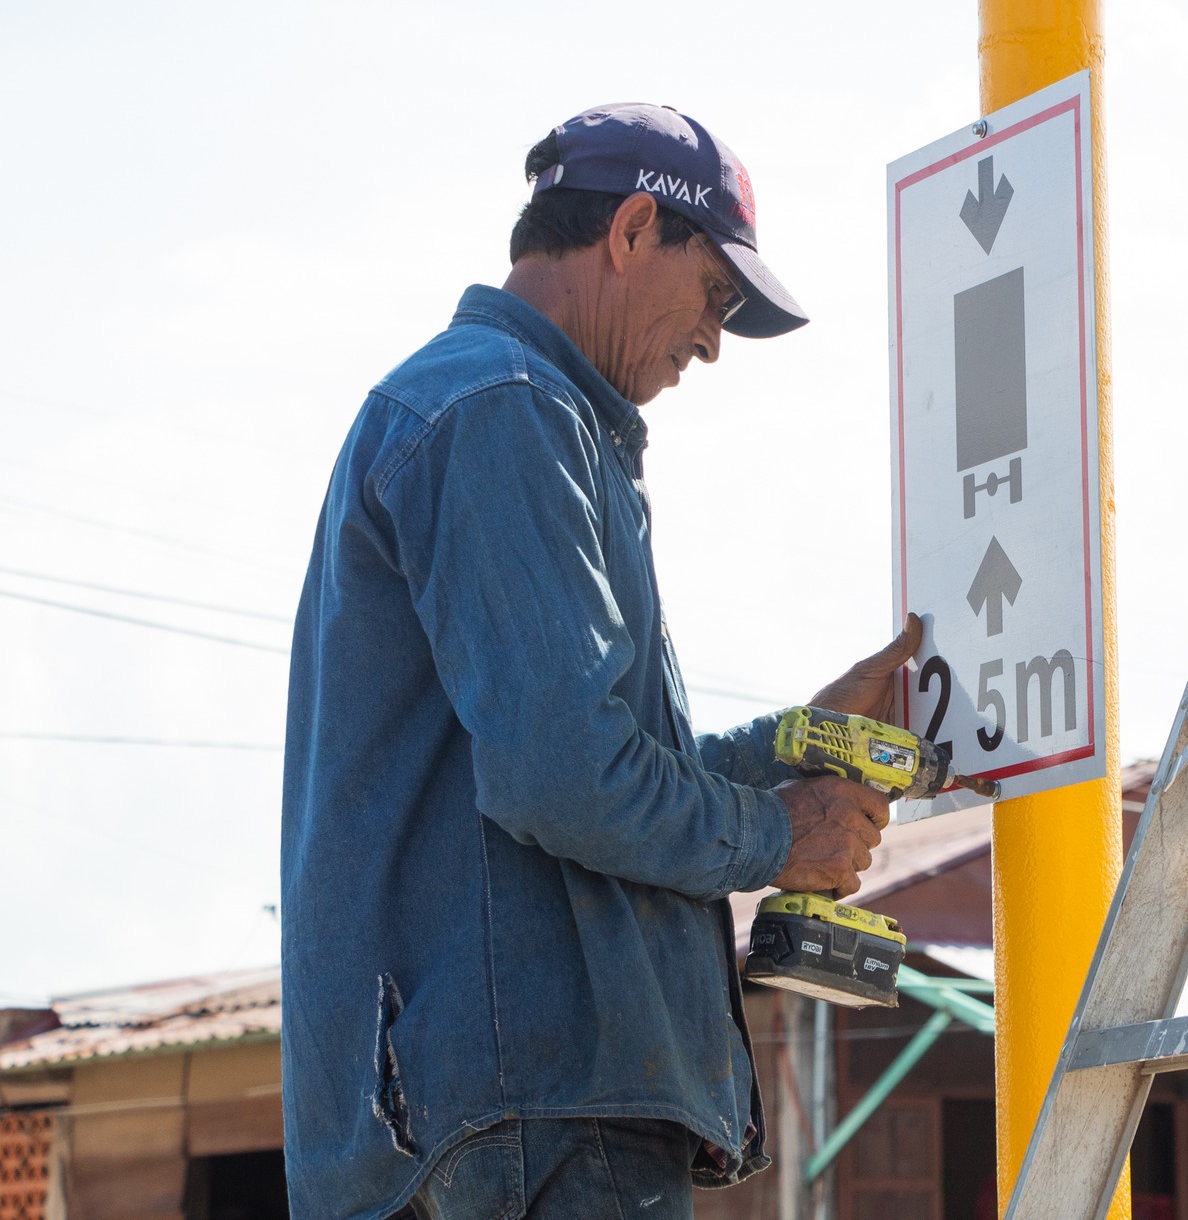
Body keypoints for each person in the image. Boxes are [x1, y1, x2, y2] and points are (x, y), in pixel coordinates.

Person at [281, 103, 913, 1220]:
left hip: (489, 1111)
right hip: (533, 1108)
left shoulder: (495, 410)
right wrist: (779, 835)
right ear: (629, 231)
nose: (713, 341)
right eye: (714, 296)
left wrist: (782, 749)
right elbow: (564, 778)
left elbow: (574, 762)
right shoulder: (505, 412)